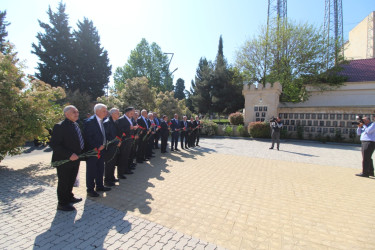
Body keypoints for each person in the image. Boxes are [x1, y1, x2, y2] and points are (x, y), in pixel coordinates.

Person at [50, 105, 84, 211]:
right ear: (66, 114)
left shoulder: (75, 124)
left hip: (76, 159)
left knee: (71, 180)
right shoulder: (60, 126)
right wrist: (69, 155)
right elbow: (54, 145)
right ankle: (62, 203)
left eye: (77, 111)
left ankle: (69, 196)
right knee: (64, 182)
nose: (76, 114)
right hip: (64, 160)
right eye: (74, 112)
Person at [83, 103, 111, 197]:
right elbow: (87, 137)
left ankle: (100, 186)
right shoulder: (90, 122)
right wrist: (97, 145)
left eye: (106, 110)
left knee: (100, 169)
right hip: (93, 151)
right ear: (97, 111)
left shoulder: (103, 121)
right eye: (104, 111)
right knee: (91, 171)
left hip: (102, 150)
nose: (106, 112)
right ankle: (90, 189)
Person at [103, 108, 121, 186]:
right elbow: (107, 136)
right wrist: (116, 142)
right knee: (109, 163)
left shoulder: (115, 122)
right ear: (112, 114)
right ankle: (107, 180)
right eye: (117, 113)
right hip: (110, 146)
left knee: (113, 163)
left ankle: (112, 177)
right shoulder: (107, 122)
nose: (119, 115)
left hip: (115, 145)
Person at [116, 107, 136, 176]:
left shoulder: (131, 119)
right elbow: (119, 130)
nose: (132, 114)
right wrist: (129, 128)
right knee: (122, 157)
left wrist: (134, 128)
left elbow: (131, 128)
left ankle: (126, 170)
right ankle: (120, 173)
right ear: (127, 112)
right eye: (131, 113)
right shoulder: (121, 119)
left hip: (130, 140)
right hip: (124, 141)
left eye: (133, 113)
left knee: (127, 156)